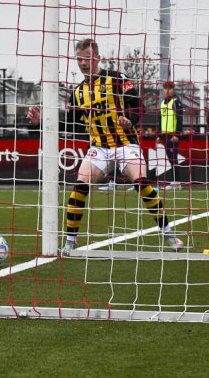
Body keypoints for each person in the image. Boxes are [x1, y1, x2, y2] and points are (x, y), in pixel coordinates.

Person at [27, 38, 184, 255]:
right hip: (99, 148)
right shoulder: (78, 92)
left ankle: (169, 234)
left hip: (126, 143)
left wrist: (130, 121)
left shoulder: (117, 78)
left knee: (141, 183)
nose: (83, 63)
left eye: (87, 58)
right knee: (79, 188)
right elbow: (71, 125)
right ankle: (70, 242)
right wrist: (42, 122)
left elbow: (139, 107)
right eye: (79, 59)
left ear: (98, 58)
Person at [159, 80, 183, 189]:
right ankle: (175, 182)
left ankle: (176, 182)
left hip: (173, 135)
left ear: (173, 89)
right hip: (165, 135)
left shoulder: (176, 102)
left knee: (173, 159)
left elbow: (180, 119)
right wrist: (159, 135)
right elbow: (161, 120)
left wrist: (177, 134)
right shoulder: (162, 103)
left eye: (170, 88)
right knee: (170, 159)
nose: (167, 90)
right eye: (165, 88)